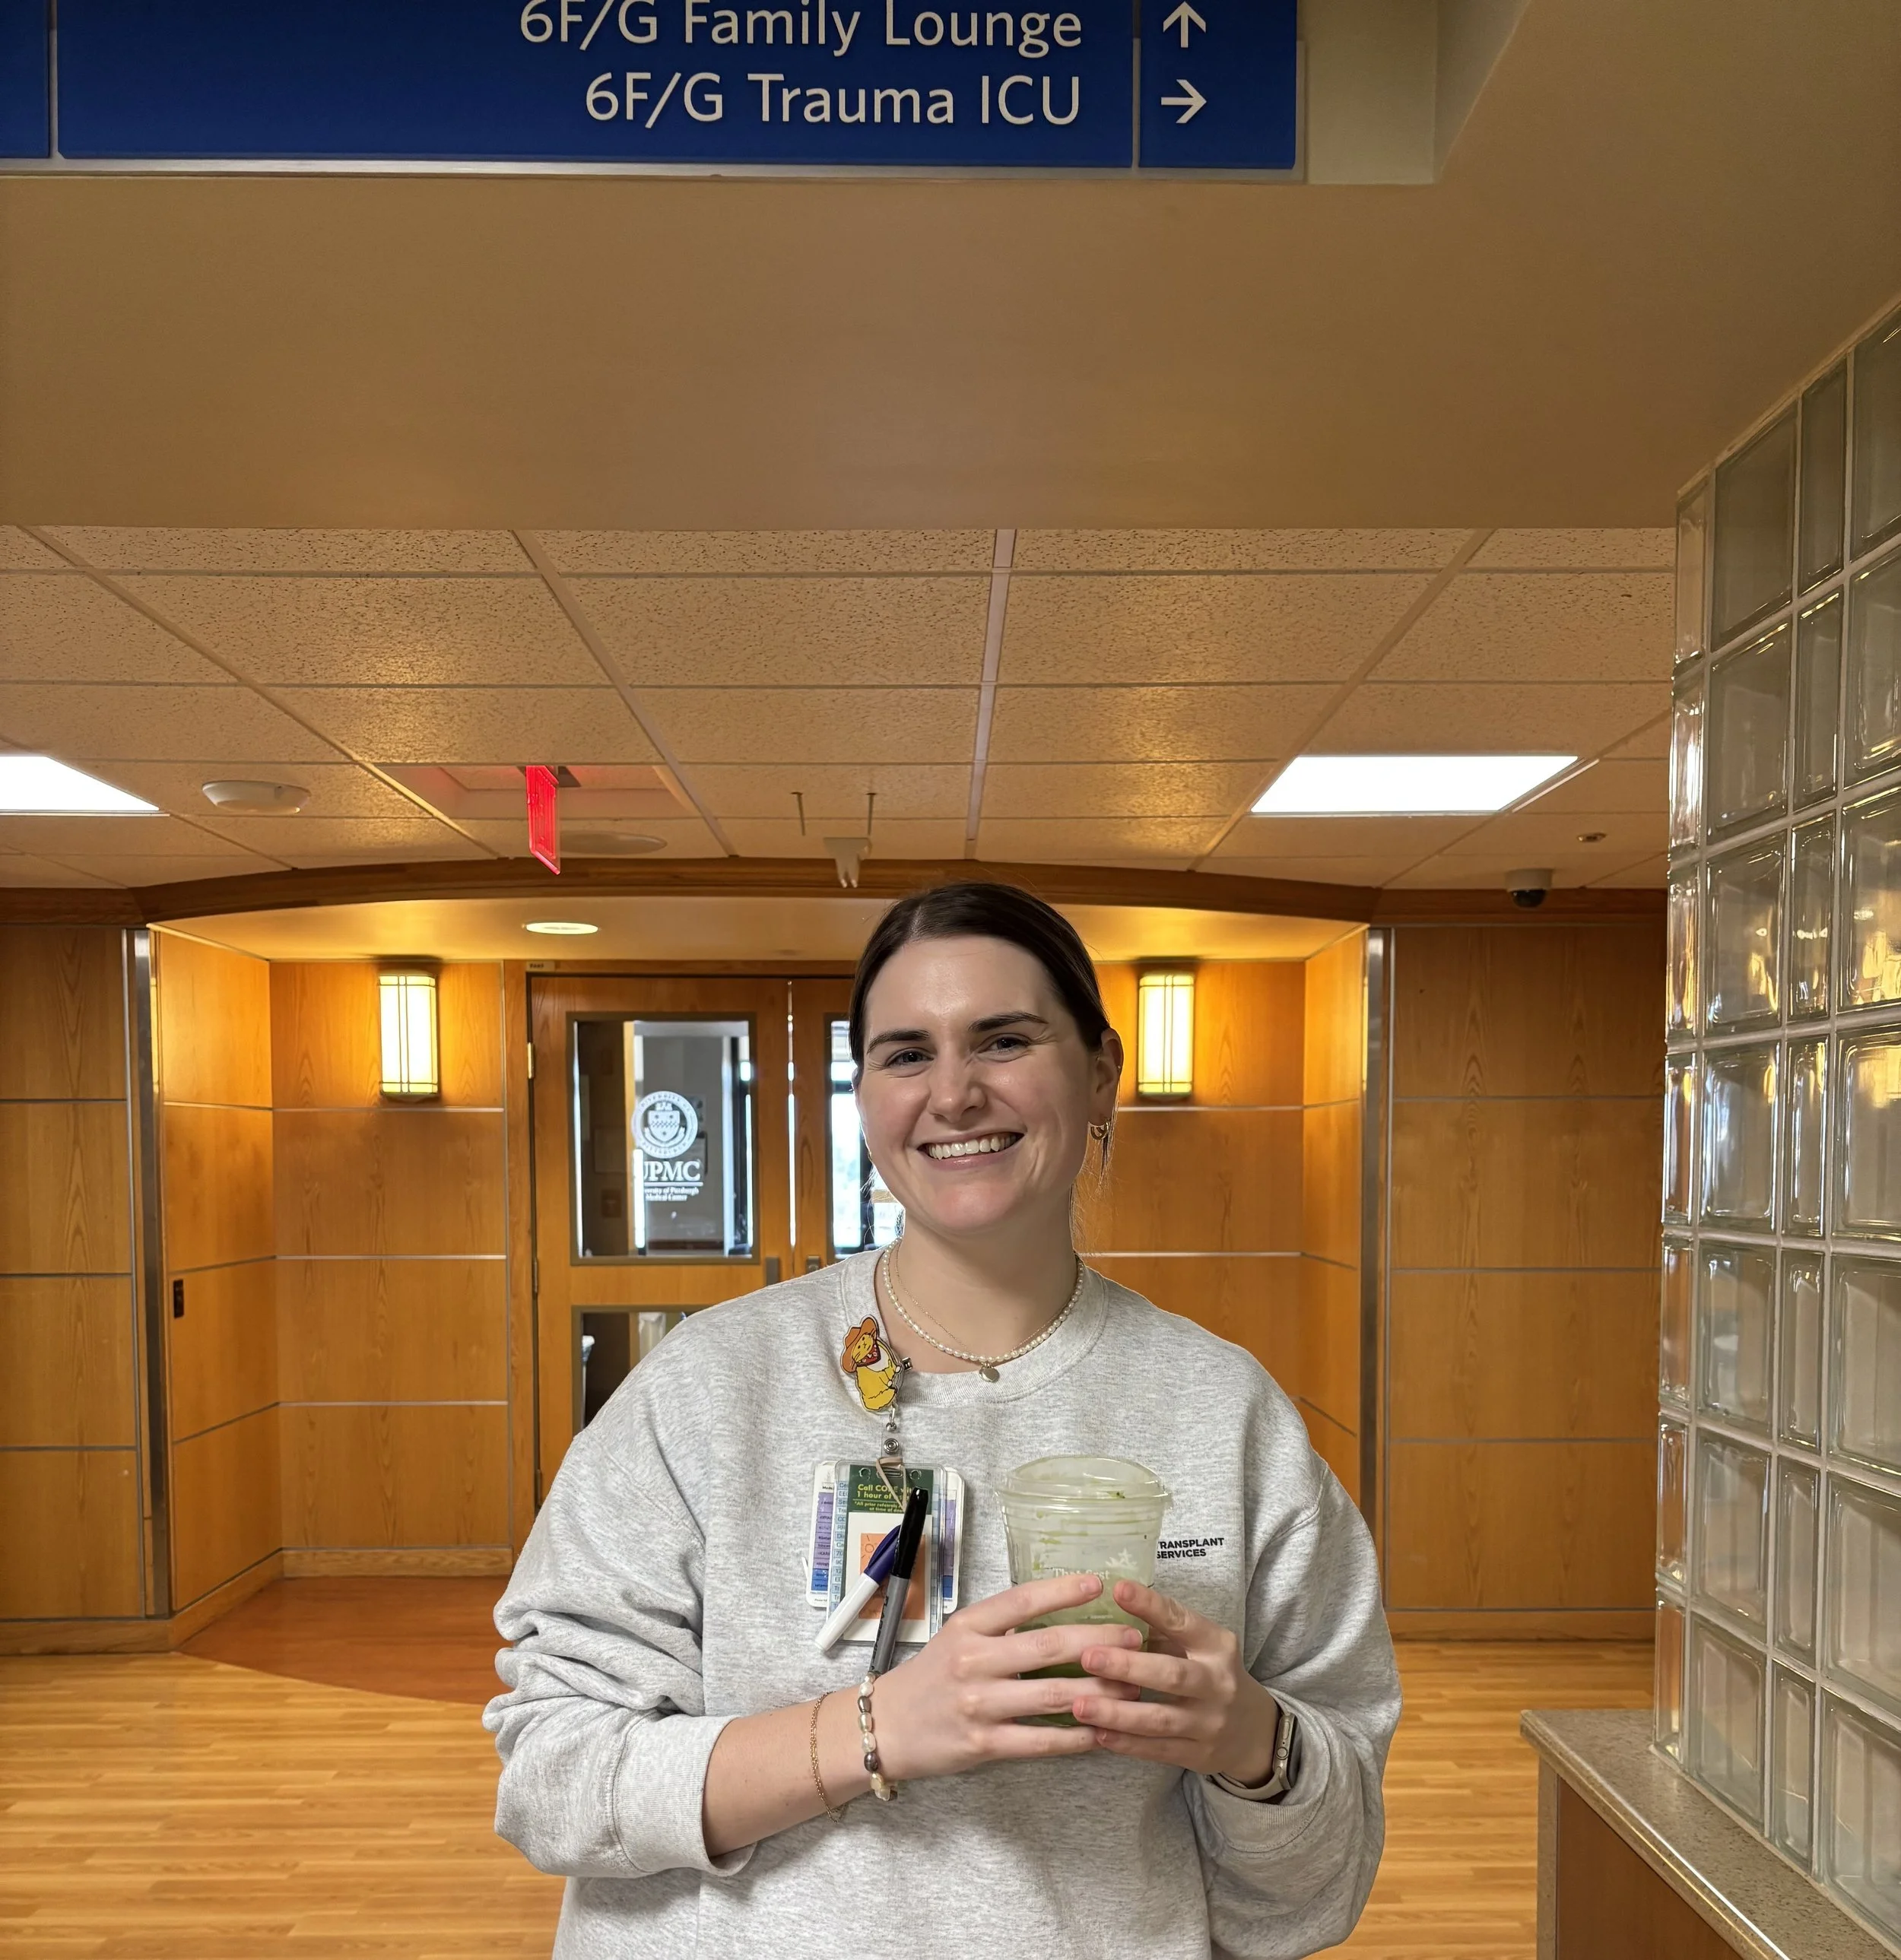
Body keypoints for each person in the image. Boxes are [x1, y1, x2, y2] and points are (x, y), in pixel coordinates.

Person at [485, 881, 1400, 1959]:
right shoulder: (709, 1388)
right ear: (865, 1092)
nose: (955, 1094)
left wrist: (1250, 1741)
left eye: (1004, 1040)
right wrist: (875, 1730)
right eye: (906, 1053)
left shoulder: (1222, 1410)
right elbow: (553, 1776)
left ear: (1100, 1073)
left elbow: (1317, 1883)